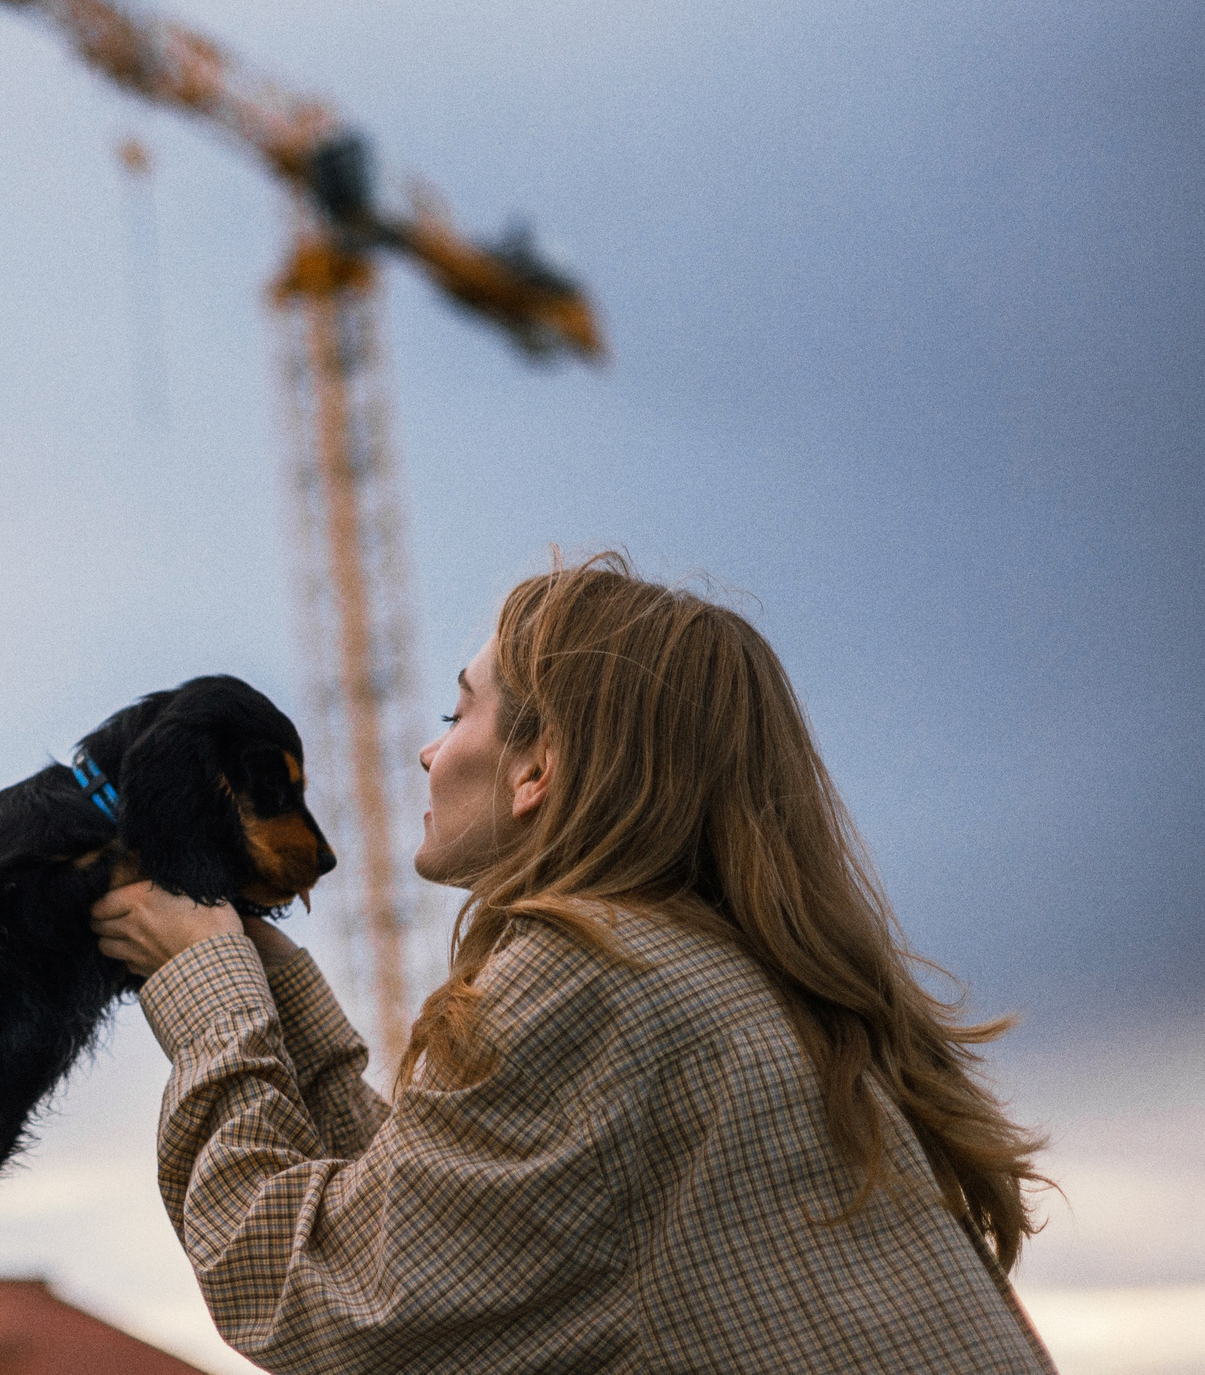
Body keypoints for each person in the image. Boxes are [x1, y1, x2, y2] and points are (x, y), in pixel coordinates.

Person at [89, 553, 1054, 1373]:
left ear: (537, 767)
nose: (428, 753)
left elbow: (319, 1299)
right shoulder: (718, 977)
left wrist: (211, 999)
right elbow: (448, 1224)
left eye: (457, 712)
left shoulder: (590, 972)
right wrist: (274, 984)